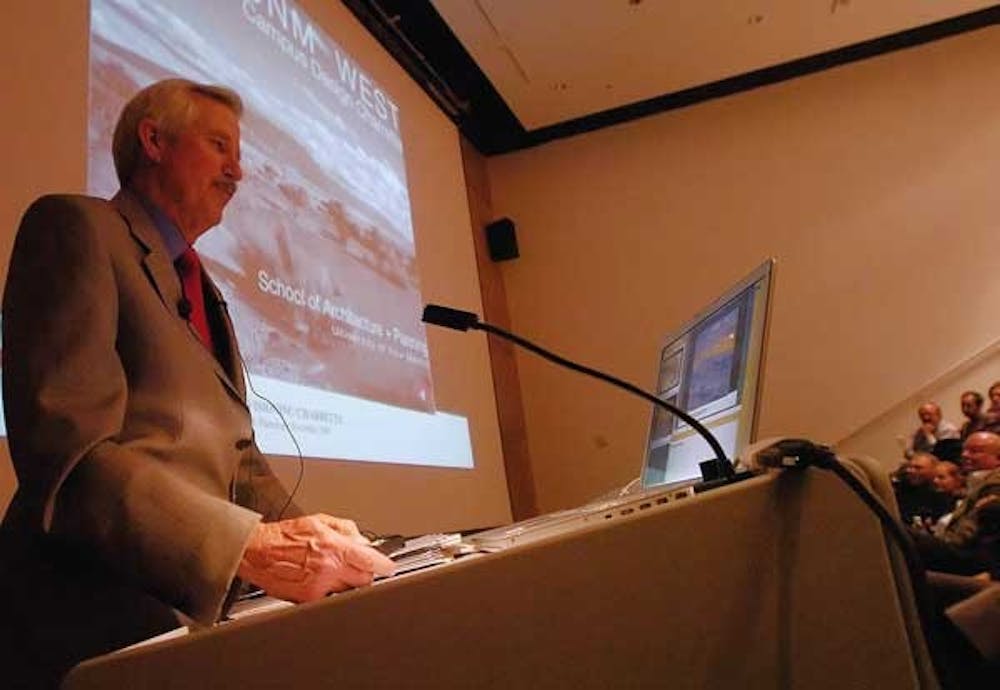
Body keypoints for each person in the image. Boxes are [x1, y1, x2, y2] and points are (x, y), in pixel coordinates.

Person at [0, 79, 394, 687]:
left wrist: (333, 548)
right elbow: (68, 452)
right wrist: (252, 548)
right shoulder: (75, 226)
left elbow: (238, 459)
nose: (238, 171)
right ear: (153, 141)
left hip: (179, 624)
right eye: (219, 146)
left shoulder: (204, 288)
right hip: (80, 628)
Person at [912, 431, 1000, 576]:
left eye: (975, 451)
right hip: (961, 548)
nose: (965, 455)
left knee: (908, 538)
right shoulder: (976, 480)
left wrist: (940, 544)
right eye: (964, 450)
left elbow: (970, 531)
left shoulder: (995, 484)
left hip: (971, 557)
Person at [894, 452, 952, 528]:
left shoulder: (944, 497)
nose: (911, 471)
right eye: (910, 467)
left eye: (918, 468)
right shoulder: (899, 490)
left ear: (934, 470)